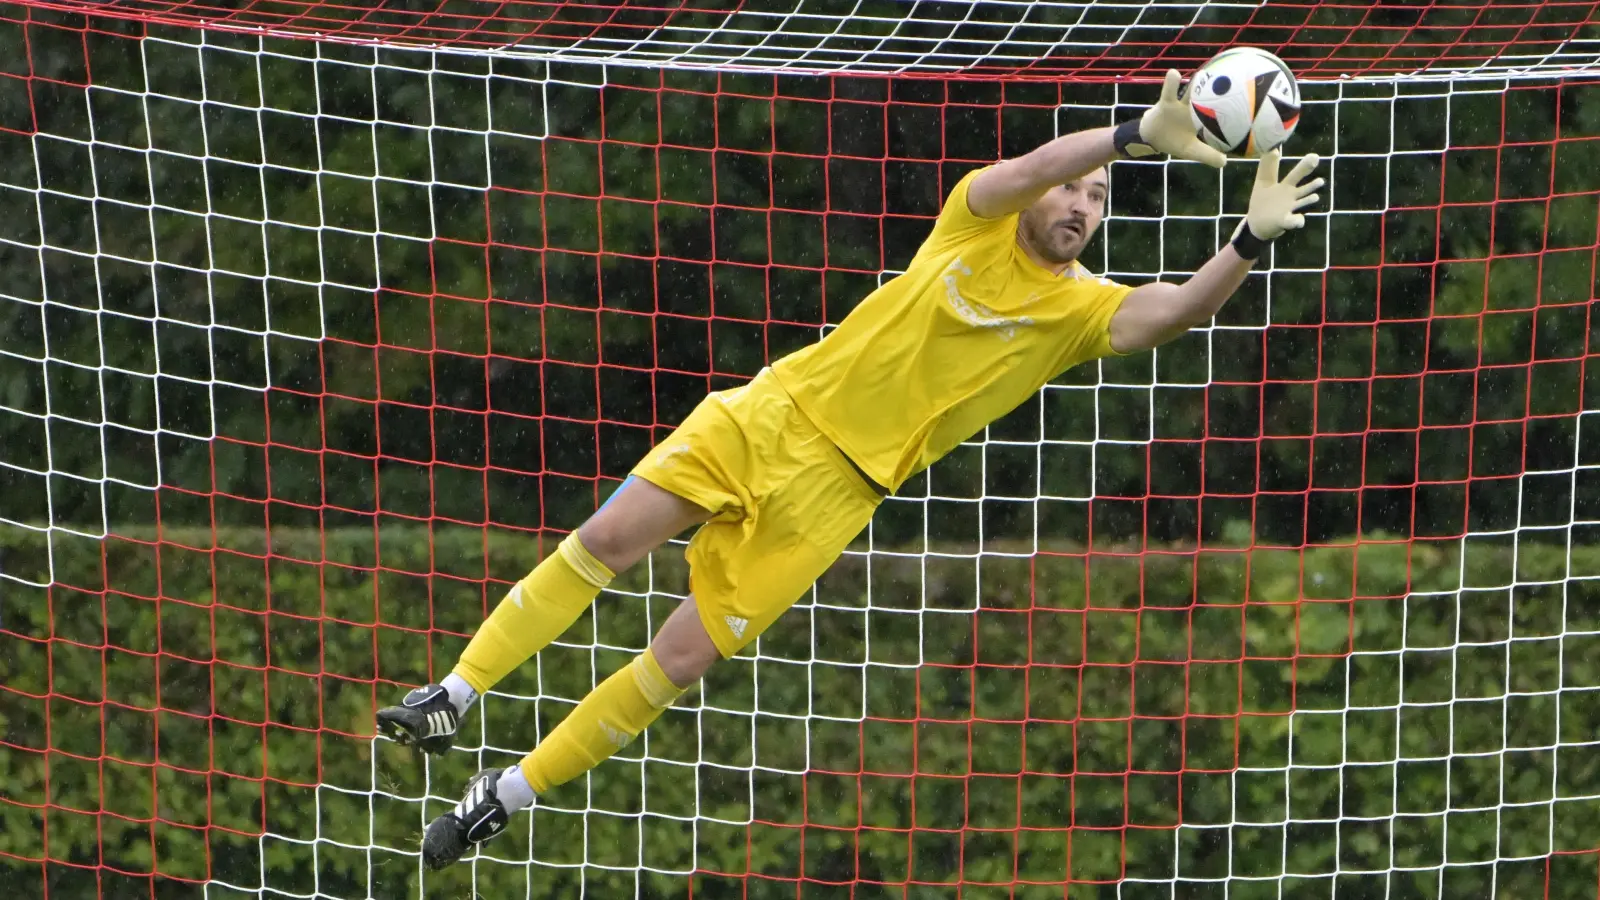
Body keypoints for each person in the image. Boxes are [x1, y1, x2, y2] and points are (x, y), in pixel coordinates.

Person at [376, 70, 1322, 869]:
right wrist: (1130, 136)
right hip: (775, 414)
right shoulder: (974, 221)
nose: (1081, 205)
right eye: (1077, 191)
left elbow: (1170, 315)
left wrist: (1245, 241)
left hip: (839, 496)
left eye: (1100, 202)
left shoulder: (1078, 312)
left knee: (678, 660)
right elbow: (1029, 167)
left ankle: (505, 795)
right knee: (608, 539)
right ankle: (452, 696)